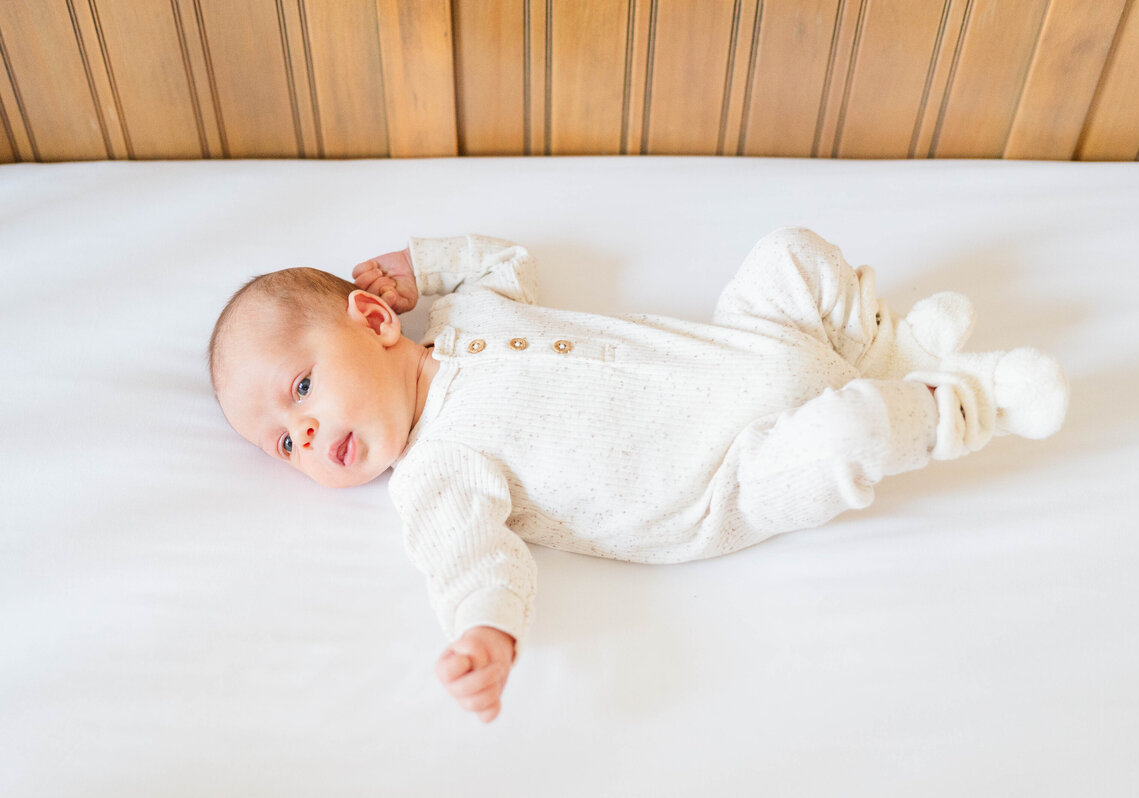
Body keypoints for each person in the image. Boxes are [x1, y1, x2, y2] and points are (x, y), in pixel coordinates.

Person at [208, 228, 1069, 724]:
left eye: (301, 388)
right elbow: (471, 561)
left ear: (372, 320)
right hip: (727, 481)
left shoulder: (473, 313)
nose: (307, 432)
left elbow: (500, 258)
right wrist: (484, 634)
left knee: (788, 254)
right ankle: (967, 402)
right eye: (283, 444)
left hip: (750, 351)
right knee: (849, 436)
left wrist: (417, 270)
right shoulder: (435, 473)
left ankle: (888, 350)